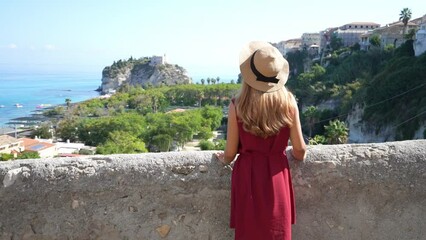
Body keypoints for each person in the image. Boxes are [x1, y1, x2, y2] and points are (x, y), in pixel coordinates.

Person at [215, 41, 306, 240]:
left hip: (248, 179)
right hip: (277, 177)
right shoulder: (289, 102)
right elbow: (299, 151)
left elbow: (230, 154)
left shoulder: (237, 105)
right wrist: (285, 152)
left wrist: (223, 159)